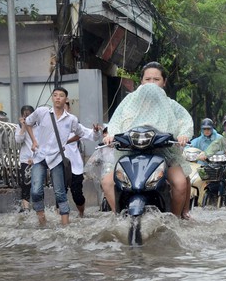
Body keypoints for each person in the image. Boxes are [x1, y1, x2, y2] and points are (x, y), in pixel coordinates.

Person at [102, 83, 193, 219]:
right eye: (148, 79)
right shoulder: (129, 104)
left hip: (164, 154)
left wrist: (183, 135)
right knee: (107, 182)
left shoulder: (170, 105)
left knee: (180, 183)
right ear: (141, 83)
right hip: (131, 154)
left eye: (156, 79)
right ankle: (118, 216)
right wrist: (111, 136)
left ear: (164, 82)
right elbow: (115, 122)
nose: (151, 83)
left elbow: (185, 121)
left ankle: (176, 219)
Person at [25, 87, 100, 226]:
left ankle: (66, 227)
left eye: (61, 96)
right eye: (55, 95)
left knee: (60, 193)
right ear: (52, 98)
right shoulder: (42, 112)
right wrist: (34, 141)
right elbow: (27, 122)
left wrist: (95, 132)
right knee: (35, 191)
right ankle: (42, 222)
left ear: (66, 99)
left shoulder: (71, 119)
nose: (58, 98)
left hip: (57, 159)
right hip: (40, 157)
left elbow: (84, 133)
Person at [64, 101, 101, 218]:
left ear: (68, 108)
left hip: (74, 165)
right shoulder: (51, 124)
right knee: (59, 192)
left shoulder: (74, 124)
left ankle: (81, 214)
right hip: (57, 164)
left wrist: (95, 131)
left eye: (65, 105)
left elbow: (91, 136)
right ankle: (62, 218)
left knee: (77, 194)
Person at [15, 105, 35, 212]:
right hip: (25, 159)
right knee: (25, 183)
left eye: (29, 114)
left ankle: (37, 206)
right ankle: (26, 208)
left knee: (37, 184)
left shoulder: (39, 126)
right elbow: (18, 140)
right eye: (25, 115)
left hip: (38, 159)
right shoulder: (19, 126)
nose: (27, 117)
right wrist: (23, 126)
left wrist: (35, 158)